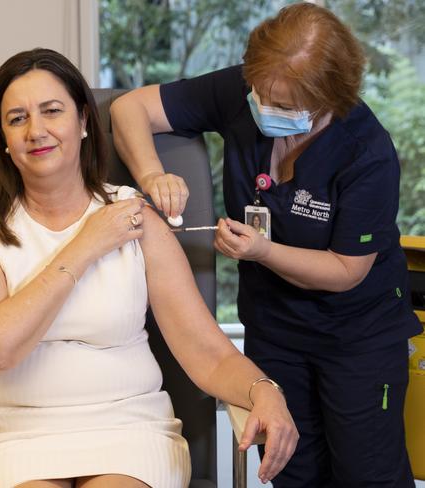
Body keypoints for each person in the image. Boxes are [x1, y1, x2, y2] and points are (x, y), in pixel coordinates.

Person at [0, 48, 297, 488]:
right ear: (1, 137)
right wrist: (88, 243)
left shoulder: (134, 217)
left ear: (84, 122)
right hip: (11, 434)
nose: (36, 130)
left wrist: (264, 389)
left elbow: (206, 351)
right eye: (17, 119)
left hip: (128, 430)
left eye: (52, 111)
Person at [110, 3, 423, 487]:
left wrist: (262, 252)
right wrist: (152, 173)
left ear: (329, 99)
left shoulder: (366, 153)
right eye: (259, 92)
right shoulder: (245, 91)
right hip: (274, 330)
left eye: (282, 102)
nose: (262, 106)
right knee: (292, 471)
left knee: (366, 474)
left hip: (357, 338)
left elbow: (347, 270)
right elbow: (129, 107)